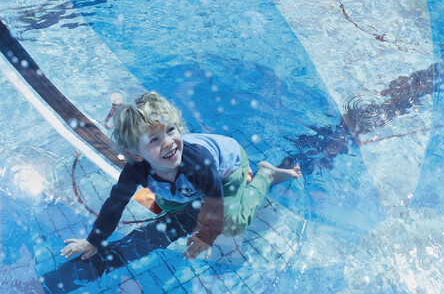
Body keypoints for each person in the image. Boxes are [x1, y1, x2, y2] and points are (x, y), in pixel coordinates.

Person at [60, 91, 301, 261]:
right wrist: (94, 240)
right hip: (188, 180)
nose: (168, 143)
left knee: (232, 224)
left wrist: (207, 235)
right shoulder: (135, 170)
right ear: (136, 154)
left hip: (228, 168)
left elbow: (214, 205)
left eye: (171, 130)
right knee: (167, 200)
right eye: (154, 140)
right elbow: (115, 203)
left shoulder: (198, 164)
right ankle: (180, 194)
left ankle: (265, 176)